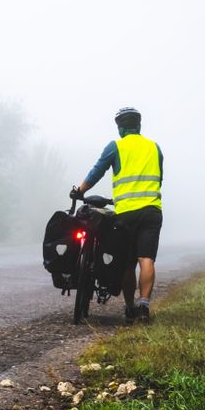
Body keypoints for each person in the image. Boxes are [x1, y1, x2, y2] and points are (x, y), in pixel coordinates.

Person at [70, 107, 163, 323]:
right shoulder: (154, 147)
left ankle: (130, 307)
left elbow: (97, 171)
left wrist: (80, 191)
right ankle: (144, 307)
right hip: (151, 210)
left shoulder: (116, 146)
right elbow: (159, 179)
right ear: (139, 126)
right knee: (146, 259)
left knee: (128, 263)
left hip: (125, 213)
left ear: (120, 128)